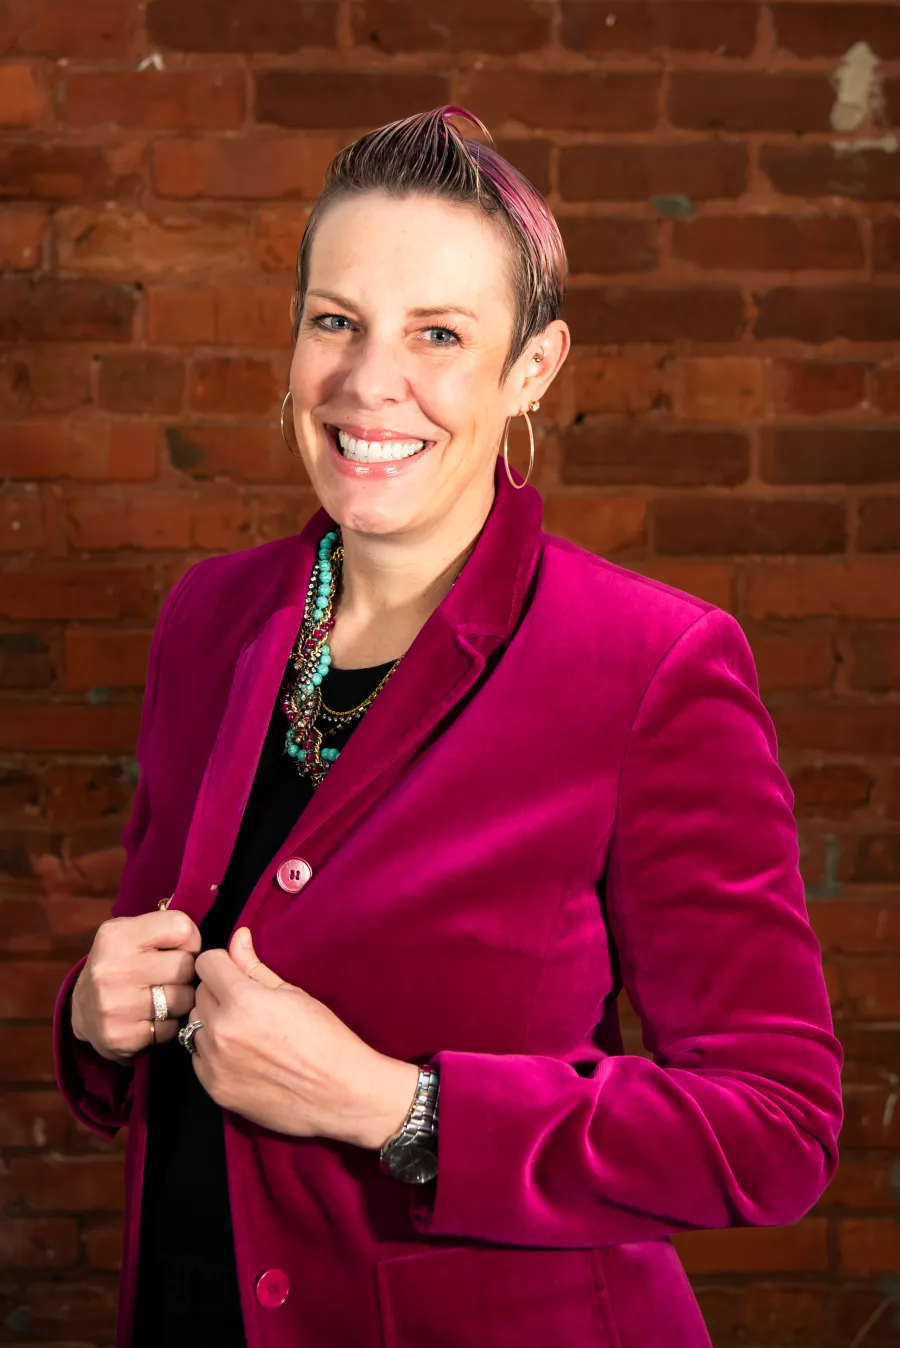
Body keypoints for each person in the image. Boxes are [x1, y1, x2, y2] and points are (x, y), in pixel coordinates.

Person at [53, 106, 843, 1348]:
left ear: (532, 368)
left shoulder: (651, 666)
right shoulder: (207, 619)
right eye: (336, 321)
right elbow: (158, 973)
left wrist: (397, 1106)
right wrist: (94, 1017)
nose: (371, 383)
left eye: (439, 333)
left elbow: (775, 1128)